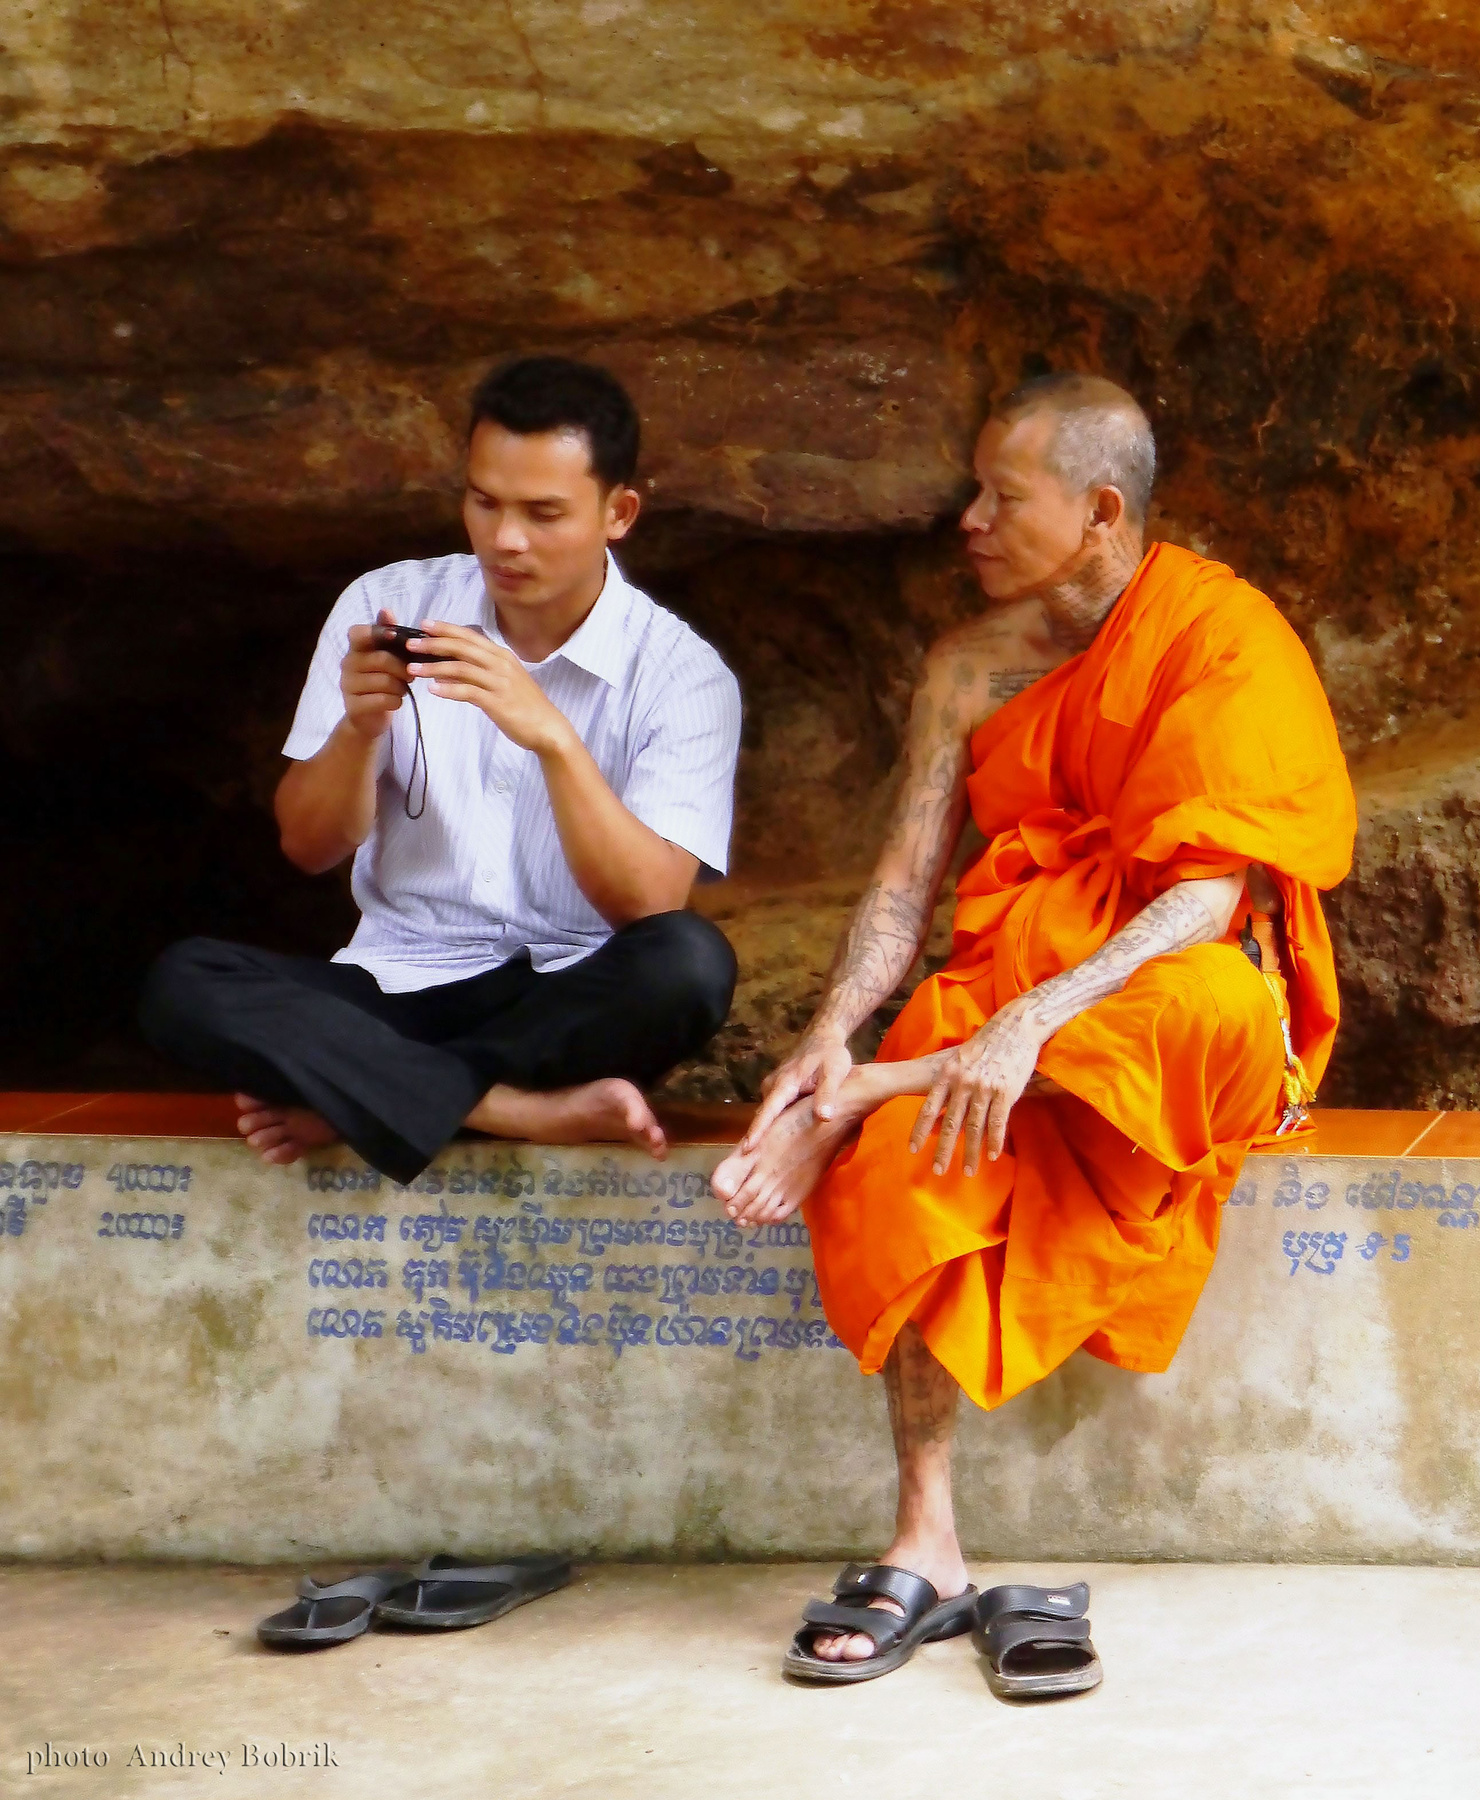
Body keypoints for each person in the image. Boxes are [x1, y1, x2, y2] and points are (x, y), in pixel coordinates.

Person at [712, 373, 1356, 1685]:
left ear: (1101, 511)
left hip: (1159, 996)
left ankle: (888, 1086)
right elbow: (904, 883)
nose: (968, 521)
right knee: (898, 1171)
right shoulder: (968, 666)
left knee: (1206, 1010)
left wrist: (1026, 1025)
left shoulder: (1220, 636)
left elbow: (1207, 899)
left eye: (1001, 497)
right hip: (1000, 1009)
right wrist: (831, 1032)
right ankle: (925, 1537)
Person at [141, 356, 741, 1185]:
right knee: (185, 983)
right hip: (396, 989)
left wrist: (553, 738)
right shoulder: (383, 604)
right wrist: (359, 729)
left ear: (619, 513)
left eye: (543, 513)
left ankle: (367, 1096)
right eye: (484, 502)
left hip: (559, 998)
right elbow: (306, 847)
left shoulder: (683, 674)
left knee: (689, 965)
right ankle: (510, 1110)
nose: (505, 539)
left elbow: (649, 905)